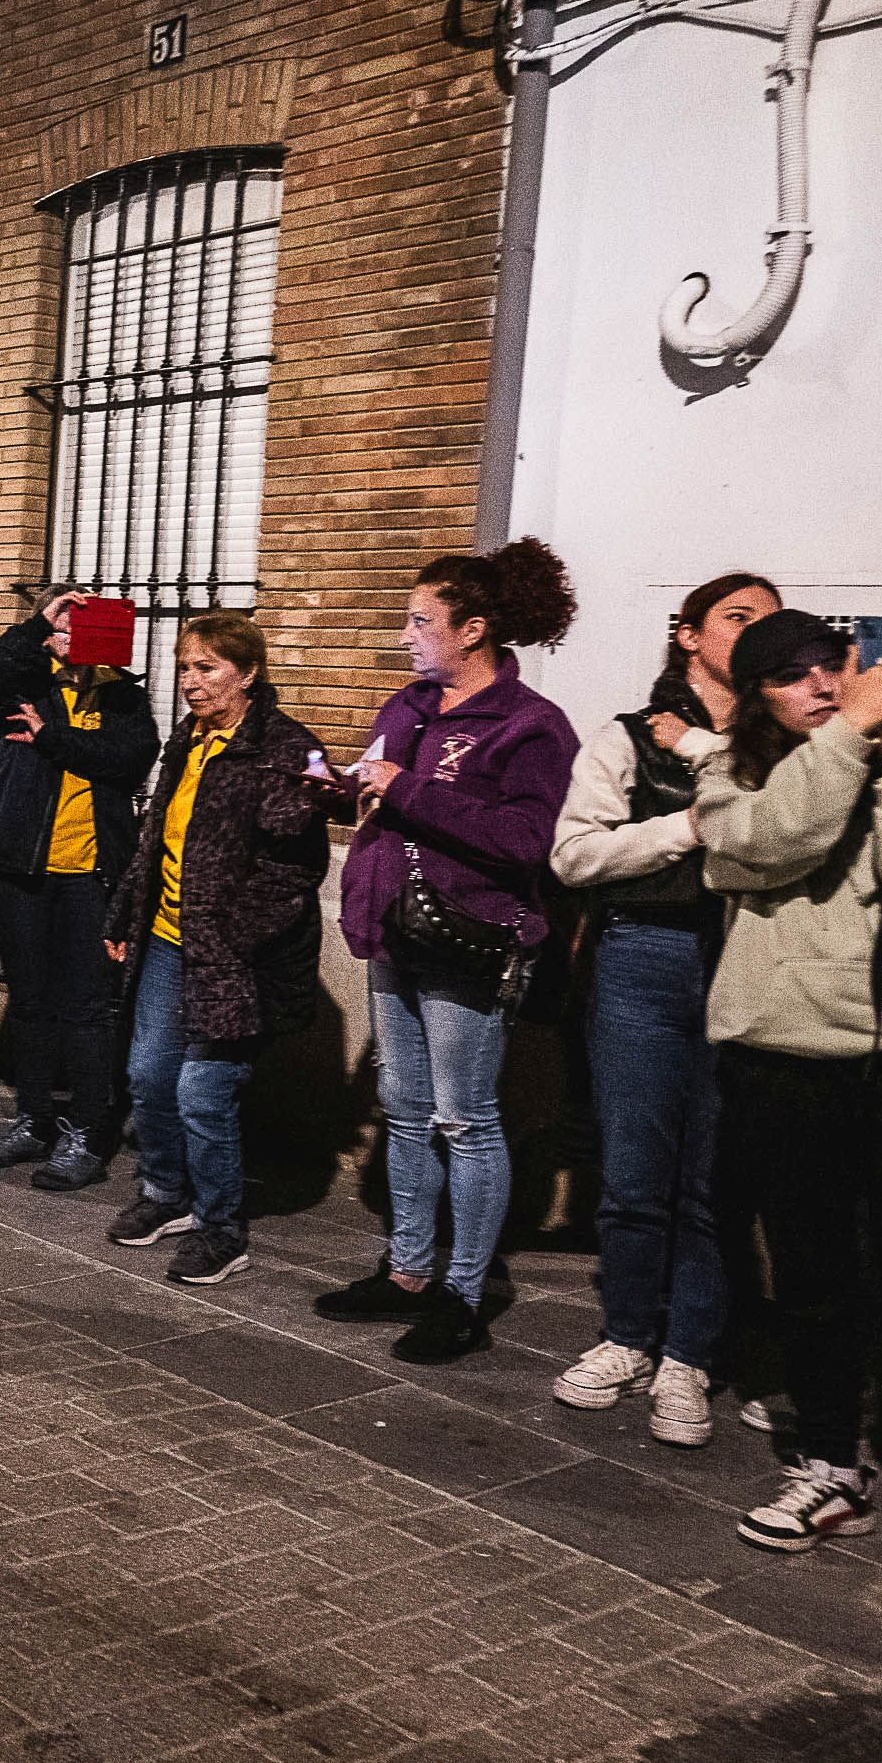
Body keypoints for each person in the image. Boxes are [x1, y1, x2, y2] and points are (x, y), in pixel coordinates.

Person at [693, 610, 882, 1619]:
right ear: (757, 697)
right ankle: (830, 1463)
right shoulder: (729, 780)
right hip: (788, 1060)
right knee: (814, 1279)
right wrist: (843, 745)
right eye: (795, 677)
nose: (828, 687)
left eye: (837, 668)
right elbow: (772, 841)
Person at [312, 539, 578, 1364]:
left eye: (420, 621)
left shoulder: (529, 726)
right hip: (392, 928)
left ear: (473, 629)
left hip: (467, 943)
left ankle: (463, 1294)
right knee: (402, 1106)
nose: (405, 636)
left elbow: (528, 842)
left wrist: (408, 791)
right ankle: (407, 1273)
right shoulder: (407, 706)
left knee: (466, 1120)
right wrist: (338, 788)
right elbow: (382, 794)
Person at [546, 571, 780, 1446]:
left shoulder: (780, 744)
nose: (757, 632)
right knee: (635, 1171)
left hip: (744, 962)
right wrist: (684, 830)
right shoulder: (625, 737)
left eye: (769, 620)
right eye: (738, 616)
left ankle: (690, 1354)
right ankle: (626, 1336)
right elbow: (574, 858)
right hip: (642, 954)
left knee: (714, 1182)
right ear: (687, 633)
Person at [97, 611, 328, 1284]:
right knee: (146, 1075)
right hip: (168, 940)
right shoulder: (188, 739)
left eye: (207, 668)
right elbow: (155, 840)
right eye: (184, 667)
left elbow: (294, 866)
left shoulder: (284, 748)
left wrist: (231, 927)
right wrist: (123, 913)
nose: (190, 683)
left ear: (248, 672)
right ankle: (166, 1192)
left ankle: (221, 1227)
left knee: (203, 1089)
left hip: (235, 956)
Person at [0, 589, 159, 1189]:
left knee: (88, 1005)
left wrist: (50, 738)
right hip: (16, 866)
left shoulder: (123, 695)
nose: (70, 638)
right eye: (62, 628)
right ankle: (34, 1119)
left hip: (91, 873)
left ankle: (88, 1131)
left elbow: (128, 758)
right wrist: (36, 623)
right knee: (31, 997)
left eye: (81, 628)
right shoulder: (25, 686)